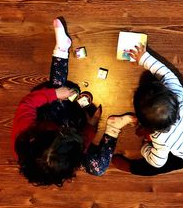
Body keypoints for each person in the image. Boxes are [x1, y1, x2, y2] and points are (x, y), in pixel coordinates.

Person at [12, 18, 135, 186]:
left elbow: (28, 103)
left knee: (56, 86)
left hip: (47, 110)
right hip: (69, 142)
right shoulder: (67, 157)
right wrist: (91, 126)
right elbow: (80, 144)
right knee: (99, 168)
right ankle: (113, 127)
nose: (63, 128)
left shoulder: (24, 133)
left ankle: (61, 49)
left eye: (59, 130)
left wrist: (55, 94)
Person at [112, 44, 183, 176]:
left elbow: (157, 162)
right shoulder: (177, 93)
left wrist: (145, 148)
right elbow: (164, 72)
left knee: (157, 167)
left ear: (149, 129)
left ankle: (133, 168)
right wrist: (143, 57)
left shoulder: (161, 138)